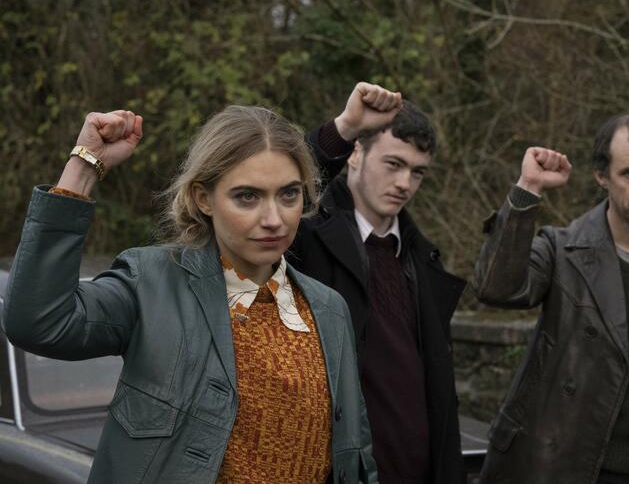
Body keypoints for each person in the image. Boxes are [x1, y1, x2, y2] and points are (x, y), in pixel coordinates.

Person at [1, 106, 377, 484]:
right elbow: (39, 322)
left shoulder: (328, 309)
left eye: (289, 194)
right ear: (203, 199)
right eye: (247, 197)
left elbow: (357, 454)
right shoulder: (151, 283)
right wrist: (83, 167)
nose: (274, 219)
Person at [473, 114, 629, 484]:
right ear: (601, 176)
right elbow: (497, 288)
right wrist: (528, 188)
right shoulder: (561, 251)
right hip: (561, 469)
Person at [287, 83, 466, 484]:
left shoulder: (423, 260)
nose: (405, 183)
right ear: (355, 154)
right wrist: (345, 127)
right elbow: (282, 182)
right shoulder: (304, 240)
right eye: (393, 164)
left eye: (417, 172)